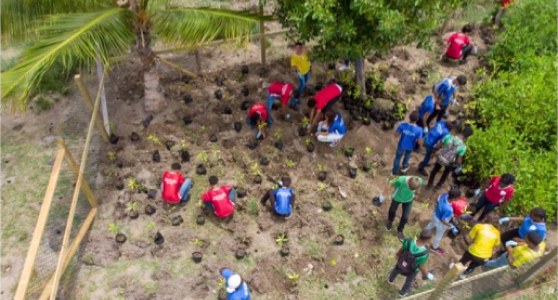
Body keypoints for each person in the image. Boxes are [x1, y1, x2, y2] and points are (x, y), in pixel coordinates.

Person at [388, 229, 435, 297]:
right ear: (428, 240)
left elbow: (402, 249)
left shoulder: (409, 241)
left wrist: (397, 255)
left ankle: (390, 280)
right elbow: (420, 265)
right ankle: (402, 293)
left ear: (419, 235)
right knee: (409, 281)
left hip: (402, 262)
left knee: (396, 270)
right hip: (412, 269)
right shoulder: (425, 253)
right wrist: (427, 274)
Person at [427, 125, 473, 191]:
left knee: (435, 170)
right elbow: (458, 161)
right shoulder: (463, 147)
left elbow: (438, 146)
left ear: (462, 131)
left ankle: (429, 184)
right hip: (449, 162)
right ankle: (438, 186)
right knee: (446, 173)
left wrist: (433, 153)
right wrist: (460, 165)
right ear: (468, 136)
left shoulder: (448, 136)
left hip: (441, 157)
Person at [380, 176, 424, 241]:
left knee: (405, 217)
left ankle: (400, 230)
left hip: (408, 200)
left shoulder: (420, 180)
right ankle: (390, 221)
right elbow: (389, 187)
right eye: (410, 188)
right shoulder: (400, 180)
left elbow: (419, 186)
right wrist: (381, 198)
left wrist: (417, 193)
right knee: (392, 210)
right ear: (408, 182)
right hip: (397, 198)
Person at [458, 212, 501, 279]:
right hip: (485, 257)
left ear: (486, 219)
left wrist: (472, 243)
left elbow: (469, 238)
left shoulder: (479, 226)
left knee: (463, 260)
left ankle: (456, 270)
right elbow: (496, 245)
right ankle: (464, 274)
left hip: (474, 251)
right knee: (474, 265)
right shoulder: (497, 233)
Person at [425, 190, 461, 255]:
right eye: (458, 197)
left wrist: (450, 214)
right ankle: (434, 247)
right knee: (439, 235)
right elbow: (443, 220)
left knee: (431, 224)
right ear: (455, 198)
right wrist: (450, 225)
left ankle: (424, 232)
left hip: (436, 214)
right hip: (440, 222)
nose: (459, 199)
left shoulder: (445, 195)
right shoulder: (449, 209)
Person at [392, 111, 423, 176]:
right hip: (410, 146)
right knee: (407, 157)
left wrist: (399, 127)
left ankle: (394, 171)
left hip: (401, 145)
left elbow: (396, 135)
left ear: (409, 117)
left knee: (397, 158)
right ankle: (404, 167)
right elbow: (419, 141)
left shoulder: (402, 125)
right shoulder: (419, 129)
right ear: (417, 119)